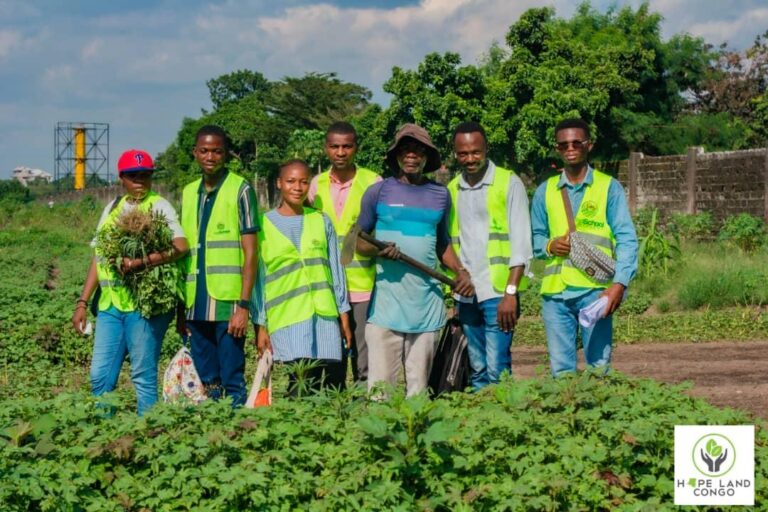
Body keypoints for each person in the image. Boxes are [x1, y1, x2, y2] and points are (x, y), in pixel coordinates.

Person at [357, 123, 474, 397]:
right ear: (396, 155)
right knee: (380, 391)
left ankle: (416, 438)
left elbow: (442, 243)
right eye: (405, 149)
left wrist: (460, 271)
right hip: (386, 307)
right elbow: (359, 242)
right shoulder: (378, 192)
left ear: (426, 157)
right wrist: (378, 249)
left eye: (418, 150)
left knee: (419, 391)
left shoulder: (440, 195)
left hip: (426, 306)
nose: (411, 155)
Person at [72, 149, 189, 415]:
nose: (139, 180)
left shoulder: (158, 206)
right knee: (100, 376)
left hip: (143, 306)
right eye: (133, 175)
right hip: (110, 306)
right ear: (121, 178)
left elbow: (181, 246)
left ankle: (145, 435)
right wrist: (82, 301)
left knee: (143, 376)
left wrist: (142, 262)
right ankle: (105, 435)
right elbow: (98, 256)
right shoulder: (112, 208)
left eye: (145, 175)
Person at [530, 118, 638, 376]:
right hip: (555, 295)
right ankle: (567, 416)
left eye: (577, 142)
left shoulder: (608, 188)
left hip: (596, 293)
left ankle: (598, 416)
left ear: (589, 145)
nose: (570, 148)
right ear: (557, 148)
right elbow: (534, 240)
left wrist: (619, 285)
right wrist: (549, 245)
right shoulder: (544, 192)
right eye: (563, 144)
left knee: (599, 369)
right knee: (561, 372)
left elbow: (627, 238)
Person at [253, 159, 353, 395]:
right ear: (279, 183)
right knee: (299, 382)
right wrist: (260, 325)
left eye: (303, 182)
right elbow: (259, 279)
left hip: (324, 316)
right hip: (288, 318)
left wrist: (343, 312)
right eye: (290, 181)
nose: (297, 187)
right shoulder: (262, 225)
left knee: (329, 383)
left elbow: (336, 270)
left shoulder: (320, 220)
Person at [447, 122, 533, 390]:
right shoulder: (451, 190)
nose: (470, 159)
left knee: (497, 367)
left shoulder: (509, 183)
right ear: (455, 153)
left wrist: (510, 293)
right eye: (463, 153)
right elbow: (450, 243)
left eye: (476, 152)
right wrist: (455, 290)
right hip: (467, 293)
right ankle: (482, 424)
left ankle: (502, 421)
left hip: (498, 292)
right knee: (477, 368)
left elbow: (521, 245)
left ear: (486, 149)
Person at [180, 125, 258, 406]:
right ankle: (213, 431)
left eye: (217, 151)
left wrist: (243, 306)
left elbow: (251, 253)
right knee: (207, 379)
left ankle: (236, 433)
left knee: (232, 377)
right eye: (204, 151)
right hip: (194, 302)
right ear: (195, 153)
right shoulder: (189, 193)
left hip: (228, 304)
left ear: (226, 154)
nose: (210, 157)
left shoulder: (241, 189)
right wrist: (181, 308)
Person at [308, 121, 381, 384]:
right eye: (335, 146)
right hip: (327, 288)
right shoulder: (314, 186)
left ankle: (365, 415)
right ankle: (336, 415)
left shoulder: (373, 183)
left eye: (346, 146)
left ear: (356, 148)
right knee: (332, 358)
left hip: (363, 286)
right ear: (326, 148)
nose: (340, 152)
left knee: (364, 361)